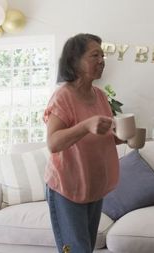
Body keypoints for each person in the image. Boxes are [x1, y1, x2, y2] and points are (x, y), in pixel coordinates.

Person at [44, 33, 122, 253]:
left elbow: (105, 137)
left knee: (85, 249)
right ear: (74, 61)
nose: (102, 60)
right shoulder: (63, 97)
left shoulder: (100, 96)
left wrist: (124, 136)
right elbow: (53, 143)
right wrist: (85, 126)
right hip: (66, 186)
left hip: (92, 186)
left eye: (103, 55)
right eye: (95, 55)